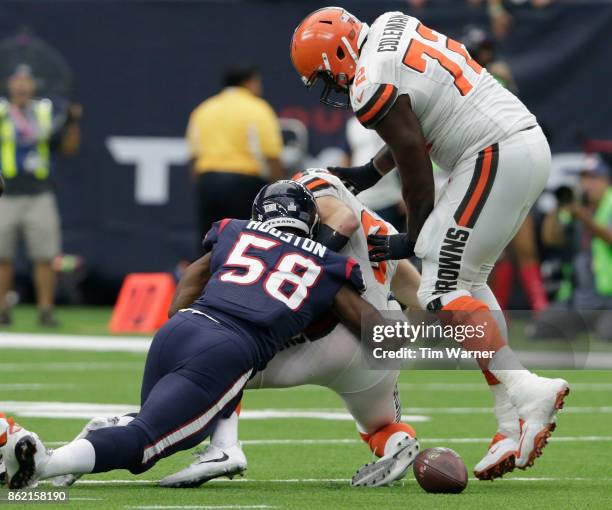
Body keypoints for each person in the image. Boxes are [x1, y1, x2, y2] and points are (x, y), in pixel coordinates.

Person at [290, 7, 569, 480]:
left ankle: (526, 387)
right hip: (516, 143)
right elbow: (417, 118)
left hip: (493, 152)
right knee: (467, 281)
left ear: (336, 52)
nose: (331, 87)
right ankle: (511, 421)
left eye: (324, 75)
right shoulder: (390, 24)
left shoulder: (367, 85)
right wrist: (370, 173)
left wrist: (413, 237)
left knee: (438, 286)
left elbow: (416, 165)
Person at [0, 181, 399, 489]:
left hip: (181, 328)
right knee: (145, 444)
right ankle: (43, 462)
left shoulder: (237, 231)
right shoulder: (325, 263)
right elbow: (372, 327)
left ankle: (91, 447)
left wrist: (196, 321)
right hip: (228, 348)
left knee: (153, 422)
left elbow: (192, 278)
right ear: (309, 219)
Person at [157, 168, 422, 488]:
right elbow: (416, 291)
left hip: (328, 331)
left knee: (220, 358)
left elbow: (344, 220)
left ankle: (222, 448)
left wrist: (289, 258)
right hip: (377, 340)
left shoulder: (311, 182)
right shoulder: (381, 227)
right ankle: (396, 443)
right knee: (380, 426)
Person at [0, 64, 81, 326]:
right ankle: (2, 309)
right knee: (2, 255)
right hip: (6, 191)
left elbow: (68, 148)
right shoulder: (2, 111)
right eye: (17, 80)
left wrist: (72, 121)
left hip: (39, 191)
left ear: (34, 85)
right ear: (9, 84)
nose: (22, 86)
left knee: (45, 255)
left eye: (27, 80)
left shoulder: (46, 112)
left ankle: (45, 309)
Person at [187, 66, 284, 243]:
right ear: (250, 83)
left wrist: (202, 183)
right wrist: (278, 188)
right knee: (243, 240)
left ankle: (210, 271)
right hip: (245, 184)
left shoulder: (204, 109)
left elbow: (194, 154)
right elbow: (271, 153)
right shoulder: (258, 109)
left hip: (208, 182)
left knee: (209, 241)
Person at [537, 155, 612, 340]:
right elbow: (551, 238)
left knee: (607, 333)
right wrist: (559, 205)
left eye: (594, 178)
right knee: (542, 326)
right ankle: (581, 326)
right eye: (585, 178)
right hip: (578, 299)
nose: (588, 184)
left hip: (608, 299)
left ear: (607, 181)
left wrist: (584, 218)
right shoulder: (577, 207)